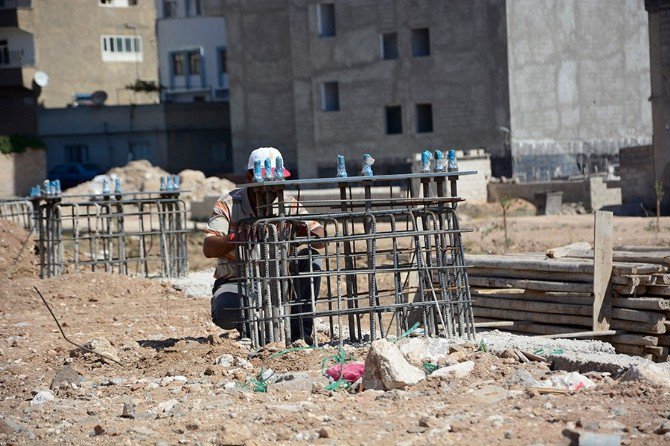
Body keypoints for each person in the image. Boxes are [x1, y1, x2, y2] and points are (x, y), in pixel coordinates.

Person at [203, 147, 325, 343]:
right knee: (226, 309)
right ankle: (254, 331)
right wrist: (239, 237)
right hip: (238, 281)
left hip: (279, 279)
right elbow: (209, 247)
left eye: (278, 181)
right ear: (250, 178)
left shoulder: (286, 203)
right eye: (267, 183)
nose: (274, 188)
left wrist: (305, 230)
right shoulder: (229, 203)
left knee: (311, 258)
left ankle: (300, 333)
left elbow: (320, 236)